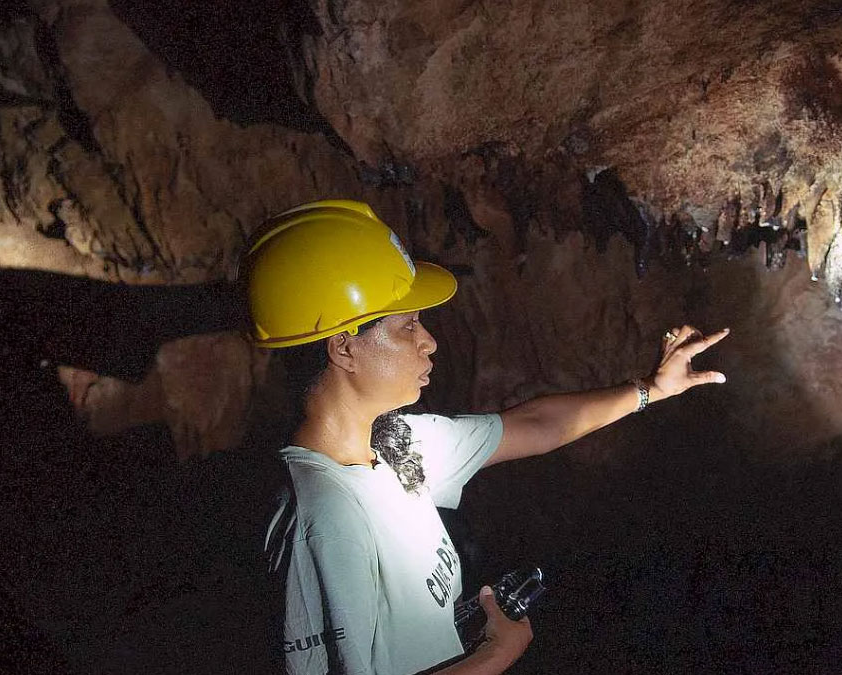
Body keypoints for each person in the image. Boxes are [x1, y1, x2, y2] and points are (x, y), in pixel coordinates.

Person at [248, 200, 728, 675]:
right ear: (345, 347)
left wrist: (651, 389)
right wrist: (494, 656)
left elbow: (533, 424)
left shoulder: (396, 446)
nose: (428, 341)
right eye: (408, 325)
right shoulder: (325, 517)